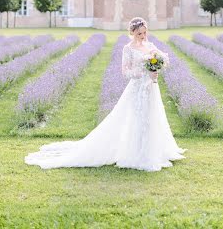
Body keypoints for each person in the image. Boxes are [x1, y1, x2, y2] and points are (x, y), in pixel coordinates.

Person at [24, 17, 186, 172]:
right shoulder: (128, 49)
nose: (143, 36)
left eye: (145, 32)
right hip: (137, 88)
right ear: (132, 33)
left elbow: (163, 58)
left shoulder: (150, 45)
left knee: (153, 116)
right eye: (139, 33)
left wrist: (157, 66)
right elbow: (125, 72)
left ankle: (154, 150)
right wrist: (143, 70)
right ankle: (137, 153)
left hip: (151, 88)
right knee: (137, 118)